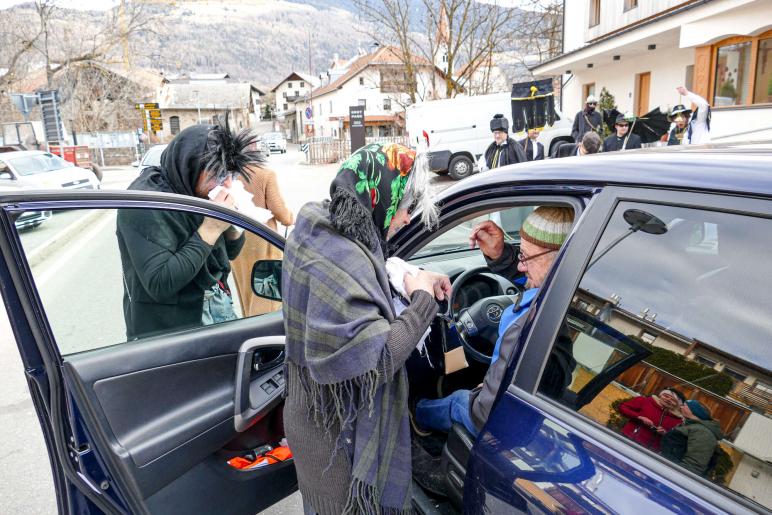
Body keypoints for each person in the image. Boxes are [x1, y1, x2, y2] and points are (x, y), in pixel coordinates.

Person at [282, 142, 451, 515]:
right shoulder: (341, 257)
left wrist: (409, 274)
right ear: (381, 199)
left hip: (312, 415)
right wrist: (422, 301)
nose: (407, 219)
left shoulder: (318, 226)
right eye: (406, 208)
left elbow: (368, 268)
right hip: (337, 441)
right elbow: (376, 362)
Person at [414, 207, 576, 437]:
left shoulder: (523, 327)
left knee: (457, 402)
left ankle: (418, 414)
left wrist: (480, 394)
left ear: (559, 259)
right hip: (527, 410)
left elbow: (483, 413)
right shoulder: (558, 299)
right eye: (521, 254)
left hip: (497, 420)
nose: (520, 266)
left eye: (526, 257)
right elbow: (527, 279)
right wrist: (501, 255)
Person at [116, 119, 263, 340]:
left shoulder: (194, 194)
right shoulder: (146, 203)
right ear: (189, 166)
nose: (227, 185)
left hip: (216, 302)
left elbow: (228, 253)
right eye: (218, 176)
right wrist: (210, 229)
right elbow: (160, 283)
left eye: (231, 176)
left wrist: (232, 228)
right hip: (172, 329)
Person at [229, 164, 295, 317]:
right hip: (263, 244)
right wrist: (291, 217)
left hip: (237, 244)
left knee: (246, 292)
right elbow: (281, 213)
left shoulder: (228, 175)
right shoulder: (265, 174)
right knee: (266, 297)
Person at [661, 400, 723, 476]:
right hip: (666, 470)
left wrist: (673, 477)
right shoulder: (690, 426)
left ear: (693, 411)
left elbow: (693, 465)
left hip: (673, 476)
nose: (681, 407)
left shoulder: (703, 432)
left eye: (684, 405)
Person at [617, 388, 685, 452]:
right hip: (627, 439)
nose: (668, 399)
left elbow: (675, 440)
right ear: (660, 395)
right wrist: (639, 417)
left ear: (677, 404)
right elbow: (622, 407)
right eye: (666, 396)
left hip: (650, 452)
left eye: (673, 400)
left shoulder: (678, 420)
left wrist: (665, 433)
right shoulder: (644, 401)